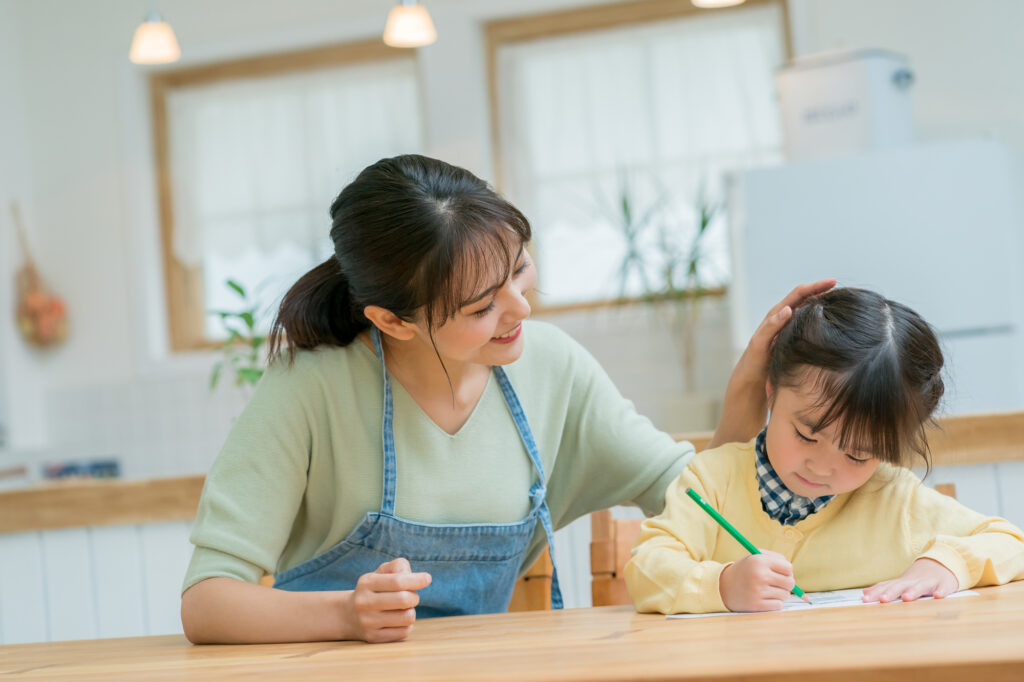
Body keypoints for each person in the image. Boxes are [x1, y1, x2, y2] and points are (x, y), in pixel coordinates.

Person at [180, 154, 833, 644]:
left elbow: (700, 503)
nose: (520, 308)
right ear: (392, 321)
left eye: (518, 269)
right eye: (481, 305)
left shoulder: (549, 367)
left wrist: (750, 386)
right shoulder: (311, 387)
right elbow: (208, 603)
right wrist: (346, 614)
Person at [625, 287, 1024, 615]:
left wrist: (946, 564)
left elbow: (1011, 543)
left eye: (857, 455)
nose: (822, 466)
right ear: (771, 390)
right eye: (806, 434)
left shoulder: (893, 498)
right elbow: (646, 569)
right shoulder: (711, 480)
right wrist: (723, 584)